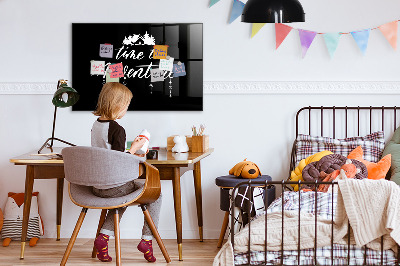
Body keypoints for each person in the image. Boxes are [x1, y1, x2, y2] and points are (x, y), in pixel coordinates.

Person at [91, 82, 161, 263]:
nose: (126, 110)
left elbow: (108, 154)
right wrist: (136, 148)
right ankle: (147, 240)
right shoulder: (117, 129)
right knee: (156, 194)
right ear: (117, 105)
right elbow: (119, 161)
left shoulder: (96, 125)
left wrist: (130, 149)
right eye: (126, 106)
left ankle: (103, 238)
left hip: (97, 186)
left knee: (121, 197)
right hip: (114, 186)